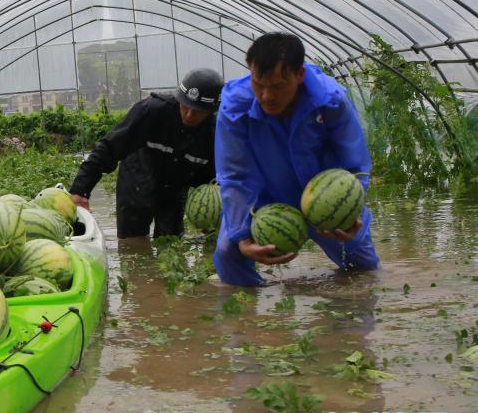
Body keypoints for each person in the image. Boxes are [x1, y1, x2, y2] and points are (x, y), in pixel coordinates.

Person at [213, 31, 380, 286]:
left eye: (278, 86)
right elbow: (235, 173)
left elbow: (354, 163)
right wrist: (240, 233)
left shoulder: (330, 101)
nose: (267, 96)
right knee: (228, 254)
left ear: (299, 75)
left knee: (363, 268)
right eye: (259, 84)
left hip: (322, 197)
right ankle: (246, 321)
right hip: (264, 197)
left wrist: (350, 212)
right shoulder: (235, 108)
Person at [69, 68, 224, 238]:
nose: (188, 114)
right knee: (132, 247)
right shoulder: (151, 111)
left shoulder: (213, 134)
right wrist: (80, 190)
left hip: (173, 194)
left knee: (170, 245)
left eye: (197, 111)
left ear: (211, 110)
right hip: (136, 186)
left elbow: (211, 179)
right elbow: (109, 148)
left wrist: (212, 216)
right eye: (185, 106)